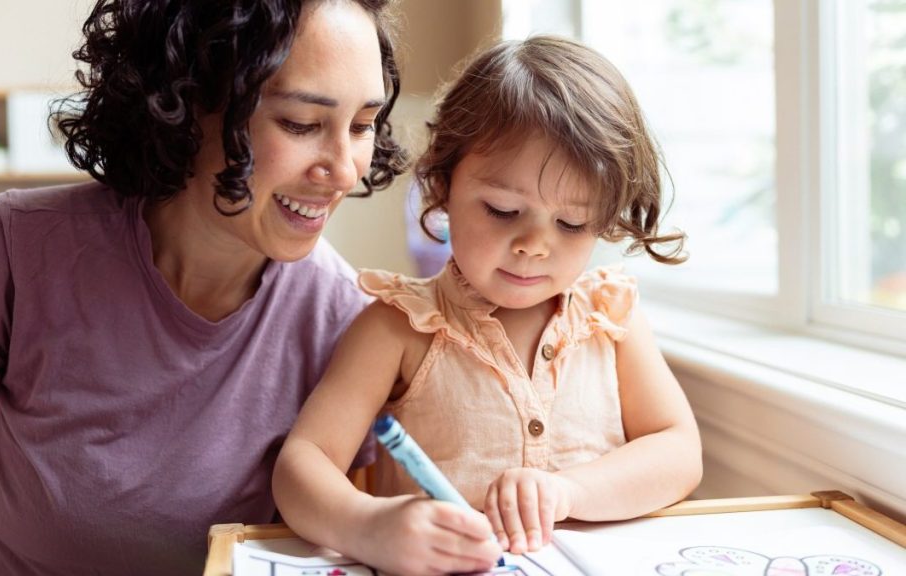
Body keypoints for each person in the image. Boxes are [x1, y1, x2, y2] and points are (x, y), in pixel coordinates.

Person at [0, 0, 407, 574]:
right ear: (183, 102)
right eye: (301, 123)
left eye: (362, 126)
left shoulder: (347, 327)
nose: (347, 168)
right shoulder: (3, 252)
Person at [273, 35, 703, 575]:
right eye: (503, 209)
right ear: (442, 187)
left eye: (571, 224)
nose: (534, 245)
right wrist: (367, 526)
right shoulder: (398, 326)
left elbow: (679, 451)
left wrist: (568, 492)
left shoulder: (609, 318)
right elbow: (302, 464)